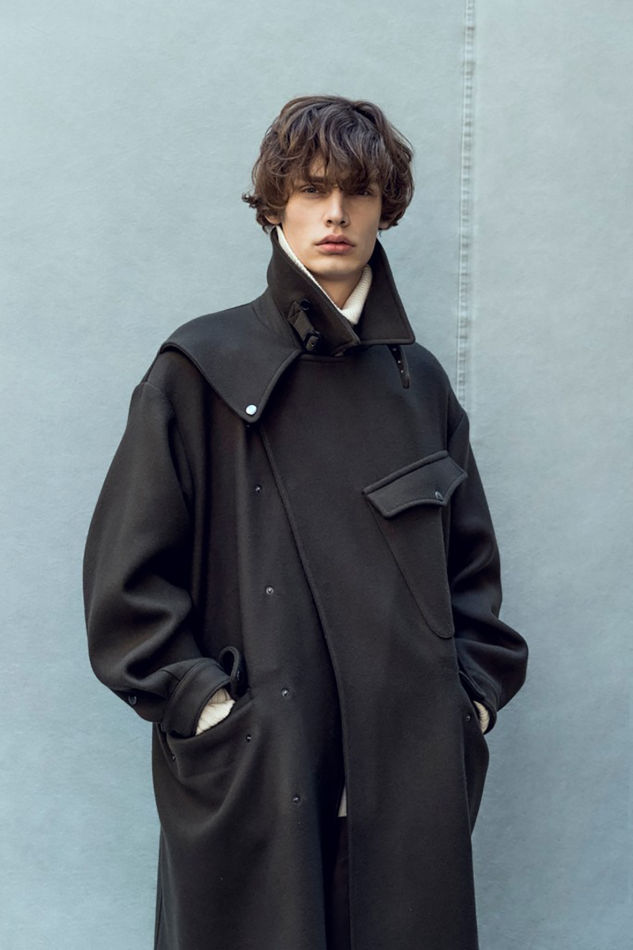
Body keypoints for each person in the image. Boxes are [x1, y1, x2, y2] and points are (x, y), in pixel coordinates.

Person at [83, 95, 528, 950]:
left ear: (384, 208)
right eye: (313, 189)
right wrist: (210, 710)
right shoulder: (198, 369)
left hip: (403, 776)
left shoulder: (418, 385)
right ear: (274, 204)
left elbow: (470, 576)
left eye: (358, 192)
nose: (335, 214)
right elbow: (124, 586)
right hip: (261, 768)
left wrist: (466, 705)